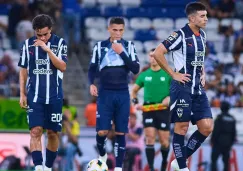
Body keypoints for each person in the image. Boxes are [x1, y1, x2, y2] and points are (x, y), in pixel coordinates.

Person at [151, 2, 214, 171]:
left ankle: (180, 159)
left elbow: (199, 58)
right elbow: (158, 52)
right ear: (191, 18)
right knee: (182, 127)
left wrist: (203, 73)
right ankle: (182, 167)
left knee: (207, 127)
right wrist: (173, 74)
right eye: (202, 16)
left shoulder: (202, 35)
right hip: (182, 87)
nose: (206, 19)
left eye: (206, 15)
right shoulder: (179, 35)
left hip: (198, 89)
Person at [88, 17, 140, 171]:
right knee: (102, 131)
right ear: (109, 29)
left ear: (124, 30)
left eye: (121, 30)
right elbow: (92, 69)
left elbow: (135, 69)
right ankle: (102, 154)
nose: (118, 33)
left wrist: (122, 53)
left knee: (120, 132)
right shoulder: (100, 47)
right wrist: (91, 83)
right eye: (115, 30)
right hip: (105, 93)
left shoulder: (129, 46)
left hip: (123, 93)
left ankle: (118, 167)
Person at [18, 14, 67, 171]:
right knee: (35, 131)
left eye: (45, 34)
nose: (42, 37)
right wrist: (22, 94)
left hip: (55, 96)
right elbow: (23, 70)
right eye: (39, 35)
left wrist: (47, 50)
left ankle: (48, 167)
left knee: (53, 133)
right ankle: (38, 167)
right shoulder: (27, 45)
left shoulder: (59, 43)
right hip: (35, 96)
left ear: (50, 30)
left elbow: (63, 66)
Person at [131, 48, 172, 171]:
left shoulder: (168, 74)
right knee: (149, 137)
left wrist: (169, 97)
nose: (152, 58)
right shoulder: (144, 75)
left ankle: (164, 162)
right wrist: (135, 101)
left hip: (163, 109)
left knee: (164, 142)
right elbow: (134, 91)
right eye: (151, 56)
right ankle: (152, 168)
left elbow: (176, 91)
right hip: (148, 109)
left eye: (155, 56)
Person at [211, 101, 236, 171]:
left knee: (214, 161)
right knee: (226, 163)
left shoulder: (219, 118)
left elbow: (216, 131)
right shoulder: (232, 118)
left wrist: (213, 141)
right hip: (228, 143)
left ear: (221, 108)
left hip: (218, 143)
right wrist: (231, 143)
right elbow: (234, 132)